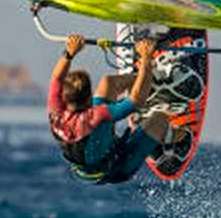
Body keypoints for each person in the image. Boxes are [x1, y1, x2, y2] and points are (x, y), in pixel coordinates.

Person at [47, 34, 172, 184]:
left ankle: (150, 80)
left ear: (64, 96)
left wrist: (70, 52)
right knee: (160, 118)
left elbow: (56, 78)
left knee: (108, 83)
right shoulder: (95, 116)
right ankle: (170, 142)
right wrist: (146, 57)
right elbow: (136, 102)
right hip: (114, 168)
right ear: (89, 98)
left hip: (99, 146)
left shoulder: (56, 111)